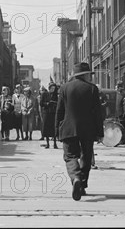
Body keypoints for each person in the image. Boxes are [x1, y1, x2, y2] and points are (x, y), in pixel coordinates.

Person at [56, 62, 103, 201]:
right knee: (86, 156)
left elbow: (59, 111)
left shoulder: (64, 88)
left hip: (69, 128)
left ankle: (76, 177)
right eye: (89, 74)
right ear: (85, 75)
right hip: (88, 129)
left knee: (70, 156)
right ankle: (82, 184)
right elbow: (97, 113)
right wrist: (100, 132)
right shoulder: (92, 89)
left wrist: (57, 131)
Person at [41, 82, 59, 149]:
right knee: (46, 128)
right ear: (49, 88)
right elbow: (41, 103)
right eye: (51, 88)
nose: (53, 89)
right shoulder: (44, 94)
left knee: (53, 128)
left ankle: (55, 143)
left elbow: (58, 103)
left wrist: (54, 104)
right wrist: (47, 104)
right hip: (46, 113)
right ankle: (47, 143)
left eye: (54, 88)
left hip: (53, 113)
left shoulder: (55, 95)